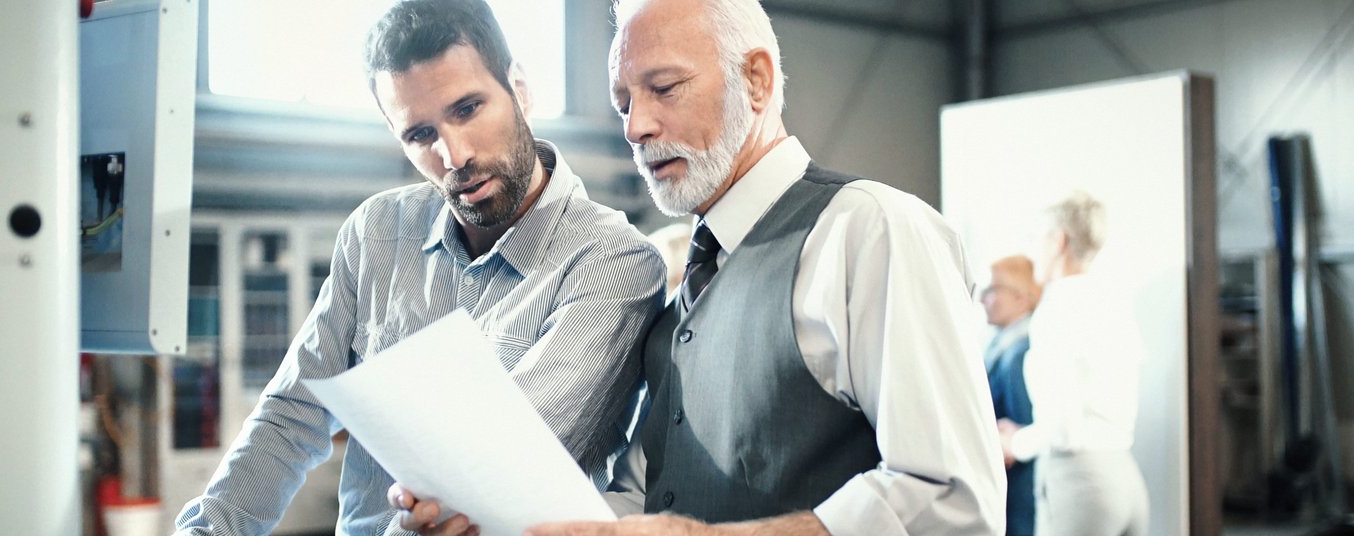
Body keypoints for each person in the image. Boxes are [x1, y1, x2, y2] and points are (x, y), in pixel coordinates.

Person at [395, 0, 1005, 533]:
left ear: (757, 80)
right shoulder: (685, 289)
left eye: (664, 88)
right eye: (623, 102)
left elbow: (952, 500)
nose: (636, 126)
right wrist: (482, 514)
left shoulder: (869, 229)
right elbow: (644, 494)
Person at [173, 0, 665, 533]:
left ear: (519, 90)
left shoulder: (614, 263)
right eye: (420, 135)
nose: (453, 156)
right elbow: (292, 415)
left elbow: (485, 475)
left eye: (467, 108)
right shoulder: (378, 233)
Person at [998, 192, 1149, 536]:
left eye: (1034, 238)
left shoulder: (1057, 310)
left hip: (1082, 484)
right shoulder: (1113, 303)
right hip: (1125, 476)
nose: (1030, 249)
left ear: (1057, 241)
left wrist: (1014, 444)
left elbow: (1060, 424)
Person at [982, 255, 1042, 536]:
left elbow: (1023, 424)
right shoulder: (1004, 345)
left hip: (1018, 489)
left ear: (1020, 298)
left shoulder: (1020, 352)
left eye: (992, 290)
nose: (984, 300)